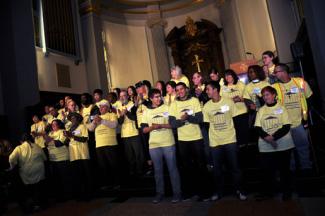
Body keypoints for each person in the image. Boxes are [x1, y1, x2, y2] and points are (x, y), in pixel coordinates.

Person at [203, 81, 246, 201]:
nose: (206, 92)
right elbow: (206, 126)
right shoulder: (206, 106)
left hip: (230, 140)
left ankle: (239, 190)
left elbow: (236, 120)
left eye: (208, 89)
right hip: (215, 143)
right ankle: (218, 192)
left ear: (216, 90)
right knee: (217, 170)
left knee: (235, 168)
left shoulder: (228, 102)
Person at [169, 82, 210, 201]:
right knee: (187, 168)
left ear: (186, 90)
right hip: (183, 140)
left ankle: (205, 193)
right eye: (177, 90)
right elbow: (172, 123)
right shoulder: (174, 104)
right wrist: (182, 121)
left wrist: (188, 118)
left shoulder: (194, 101)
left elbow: (199, 119)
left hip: (196, 138)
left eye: (182, 89)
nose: (180, 91)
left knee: (201, 166)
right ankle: (191, 192)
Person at [141, 89, 181, 203]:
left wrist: (161, 125)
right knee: (157, 171)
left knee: (173, 169)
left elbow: (173, 124)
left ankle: (177, 194)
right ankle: (160, 193)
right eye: (156, 97)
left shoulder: (167, 108)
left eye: (159, 96)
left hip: (168, 142)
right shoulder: (146, 111)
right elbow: (143, 130)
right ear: (151, 99)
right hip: (154, 145)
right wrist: (152, 127)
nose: (158, 99)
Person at [254, 86, 294, 200]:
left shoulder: (282, 108)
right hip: (266, 147)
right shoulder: (261, 110)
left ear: (274, 95)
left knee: (284, 170)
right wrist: (267, 138)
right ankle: (269, 192)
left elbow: (286, 126)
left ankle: (287, 192)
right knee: (267, 171)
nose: (265, 97)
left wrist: (273, 137)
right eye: (263, 95)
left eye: (267, 94)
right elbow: (257, 127)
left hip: (283, 145)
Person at [272, 63, 313, 172]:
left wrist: (307, 120)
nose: (274, 74)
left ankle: (306, 169)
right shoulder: (274, 87)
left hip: (299, 123)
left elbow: (310, 99)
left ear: (283, 72)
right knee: (287, 151)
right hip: (284, 125)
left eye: (276, 72)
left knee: (303, 148)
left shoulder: (300, 82)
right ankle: (291, 172)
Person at [9, 133, 47, 211]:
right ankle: (40, 204)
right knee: (39, 186)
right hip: (39, 169)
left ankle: (33, 205)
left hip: (27, 171)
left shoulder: (19, 148)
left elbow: (11, 158)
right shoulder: (37, 146)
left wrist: (13, 166)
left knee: (30, 188)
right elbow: (44, 158)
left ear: (21, 141)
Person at [88, 101, 120, 190]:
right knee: (103, 166)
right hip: (99, 145)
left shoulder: (112, 115)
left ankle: (116, 183)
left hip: (110, 143)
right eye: (100, 107)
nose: (101, 108)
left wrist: (102, 121)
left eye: (103, 107)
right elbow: (90, 129)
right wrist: (95, 121)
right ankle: (107, 183)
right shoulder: (96, 117)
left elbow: (114, 125)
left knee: (113, 164)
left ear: (108, 108)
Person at [116, 90, 144, 176]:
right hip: (125, 134)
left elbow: (135, 118)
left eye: (124, 96)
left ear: (127, 96)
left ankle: (141, 170)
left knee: (138, 154)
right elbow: (120, 122)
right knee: (129, 156)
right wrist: (121, 116)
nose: (122, 98)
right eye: (120, 96)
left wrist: (127, 112)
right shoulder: (119, 107)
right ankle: (132, 171)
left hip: (134, 133)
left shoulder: (133, 104)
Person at [65, 112, 92, 200]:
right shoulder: (70, 129)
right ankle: (80, 195)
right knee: (77, 176)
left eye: (74, 118)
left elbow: (84, 139)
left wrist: (72, 136)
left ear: (78, 119)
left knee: (85, 175)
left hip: (82, 154)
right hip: (74, 155)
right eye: (71, 119)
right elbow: (66, 142)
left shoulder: (82, 126)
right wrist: (66, 136)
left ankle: (88, 195)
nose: (72, 120)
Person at [44, 119, 72, 201]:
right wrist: (48, 140)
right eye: (52, 124)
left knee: (65, 179)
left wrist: (50, 140)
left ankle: (69, 196)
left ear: (59, 125)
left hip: (63, 159)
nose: (53, 126)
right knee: (57, 180)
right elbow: (46, 144)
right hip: (53, 159)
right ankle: (60, 197)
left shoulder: (63, 131)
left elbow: (60, 143)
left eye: (55, 124)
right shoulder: (50, 133)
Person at [221, 69, 249, 148]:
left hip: (242, 112)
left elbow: (247, 97)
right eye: (226, 75)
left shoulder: (240, 84)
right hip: (231, 114)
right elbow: (222, 101)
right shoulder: (223, 88)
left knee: (245, 134)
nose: (228, 77)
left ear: (233, 75)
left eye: (229, 75)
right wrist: (231, 101)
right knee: (236, 136)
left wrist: (240, 99)